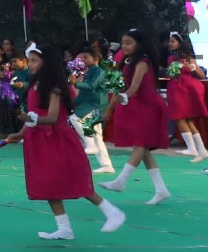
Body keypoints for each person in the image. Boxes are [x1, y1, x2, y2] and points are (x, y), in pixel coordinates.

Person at [11, 44, 125, 240]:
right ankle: (64, 227)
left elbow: (53, 117)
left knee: (73, 179)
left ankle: (111, 211)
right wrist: (21, 133)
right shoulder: (35, 84)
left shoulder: (54, 87)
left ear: (46, 63)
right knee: (47, 183)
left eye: (34, 60)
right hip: (38, 140)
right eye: (29, 60)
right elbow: (34, 113)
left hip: (57, 140)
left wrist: (30, 119)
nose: (29, 64)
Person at [101, 28, 171, 205]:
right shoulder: (129, 61)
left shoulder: (143, 62)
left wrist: (117, 102)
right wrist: (112, 106)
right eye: (123, 43)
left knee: (140, 145)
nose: (124, 46)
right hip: (137, 106)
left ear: (139, 44)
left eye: (128, 43)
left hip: (147, 106)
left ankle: (121, 181)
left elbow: (133, 88)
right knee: (143, 148)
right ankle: (161, 190)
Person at [164, 32, 208, 161]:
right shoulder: (171, 58)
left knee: (180, 118)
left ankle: (191, 148)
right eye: (170, 41)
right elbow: (171, 74)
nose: (170, 43)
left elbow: (201, 75)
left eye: (173, 41)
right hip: (177, 88)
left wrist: (191, 68)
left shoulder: (188, 57)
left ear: (180, 43)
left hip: (185, 89)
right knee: (187, 120)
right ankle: (201, 150)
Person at [69, 46, 116, 174]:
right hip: (90, 103)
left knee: (75, 118)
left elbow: (91, 86)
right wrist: (72, 104)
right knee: (97, 134)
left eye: (85, 57)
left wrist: (75, 83)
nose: (83, 60)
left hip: (97, 104)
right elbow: (83, 93)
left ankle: (90, 144)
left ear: (95, 58)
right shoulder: (89, 71)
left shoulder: (99, 71)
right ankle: (106, 165)